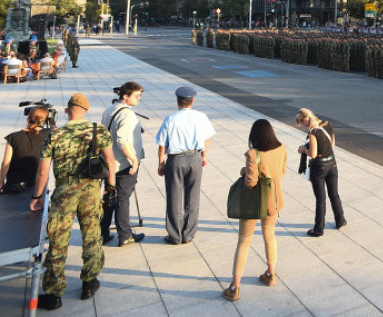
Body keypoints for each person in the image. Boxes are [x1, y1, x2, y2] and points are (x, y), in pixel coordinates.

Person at [30, 94, 116, 310]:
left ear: (67, 110)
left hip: (64, 190)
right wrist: (111, 189)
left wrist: (37, 196)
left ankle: (54, 293)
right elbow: (111, 161)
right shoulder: (98, 131)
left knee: (58, 240)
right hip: (90, 190)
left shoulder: (54, 135)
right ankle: (89, 282)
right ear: (86, 110)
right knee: (92, 235)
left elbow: (42, 171)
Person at [222, 119, 288, 302]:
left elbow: (250, 182)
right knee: (270, 235)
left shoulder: (253, 154)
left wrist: (244, 171)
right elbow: (282, 172)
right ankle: (270, 274)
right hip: (273, 200)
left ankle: (235, 287)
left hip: (254, 203)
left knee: (243, 241)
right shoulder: (281, 148)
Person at [155, 85, 215, 245]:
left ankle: (175, 235)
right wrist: (204, 156)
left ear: (177, 101)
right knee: (193, 197)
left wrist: (161, 163)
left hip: (176, 159)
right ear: (192, 101)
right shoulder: (201, 117)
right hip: (195, 157)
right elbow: (207, 138)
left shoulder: (170, 119)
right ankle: (188, 233)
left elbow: (162, 144)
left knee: (174, 197)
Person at [100, 81, 146, 246]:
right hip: (123, 163)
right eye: (136, 96)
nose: (139, 99)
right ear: (125, 96)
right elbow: (121, 139)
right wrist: (134, 160)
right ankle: (125, 235)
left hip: (109, 162)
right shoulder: (127, 114)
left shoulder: (110, 109)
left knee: (110, 196)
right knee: (122, 199)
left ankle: (102, 232)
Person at [296, 108, 346, 236]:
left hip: (319, 167)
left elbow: (312, 154)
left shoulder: (313, 132)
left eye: (303, 123)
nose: (304, 126)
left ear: (305, 118)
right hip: (332, 164)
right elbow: (332, 144)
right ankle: (340, 221)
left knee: (321, 199)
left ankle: (318, 229)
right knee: (334, 194)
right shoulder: (326, 123)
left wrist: (303, 150)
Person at [0, 105, 52, 194]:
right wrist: (52, 121)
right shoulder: (49, 135)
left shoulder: (13, 137)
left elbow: (6, 163)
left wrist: (0, 182)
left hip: (14, 185)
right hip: (36, 185)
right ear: (45, 120)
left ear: (28, 118)